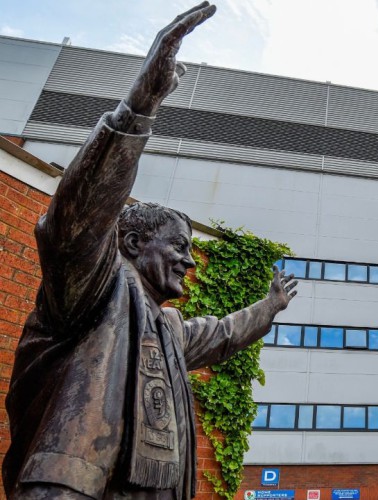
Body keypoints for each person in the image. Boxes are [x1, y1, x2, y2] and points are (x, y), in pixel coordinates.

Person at [2, 3, 298, 498]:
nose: (189, 260)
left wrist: (269, 307)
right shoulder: (93, 289)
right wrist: (139, 107)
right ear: (135, 243)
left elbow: (224, 333)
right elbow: (75, 220)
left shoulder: (169, 330)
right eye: (178, 247)